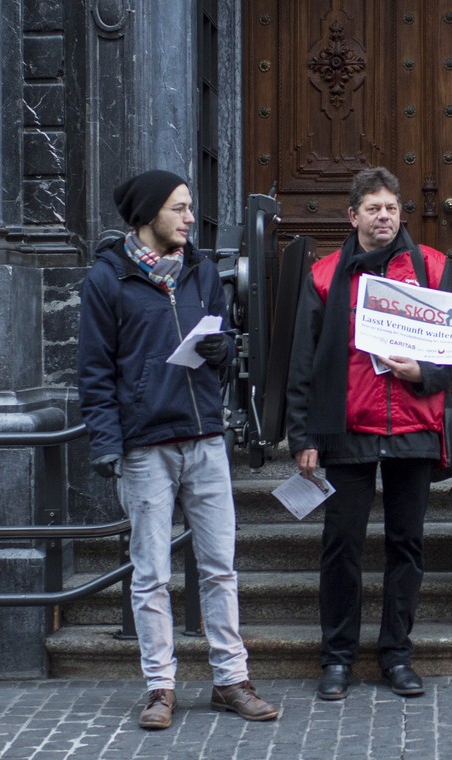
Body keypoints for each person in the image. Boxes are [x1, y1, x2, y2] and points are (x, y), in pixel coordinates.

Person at [77, 169, 278, 728]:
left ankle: (230, 680)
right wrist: (106, 443)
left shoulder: (201, 272)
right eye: (179, 208)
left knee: (219, 569)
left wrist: (219, 350)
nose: (190, 217)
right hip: (146, 446)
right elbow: (93, 371)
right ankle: (159, 687)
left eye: (190, 207)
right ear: (146, 215)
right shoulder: (107, 280)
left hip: (205, 437)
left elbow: (220, 345)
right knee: (151, 574)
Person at [285, 166, 452, 700]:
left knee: (406, 546)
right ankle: (337, 658)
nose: (384, 217)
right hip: (348, 430)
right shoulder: (323, 274)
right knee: (341, 546)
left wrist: (422, 374)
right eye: (373, 208)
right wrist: (303, 436)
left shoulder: (433, 268)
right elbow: (303, 363)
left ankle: (396, 654)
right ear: (353, 215)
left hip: (412, 426)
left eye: (391, 207)